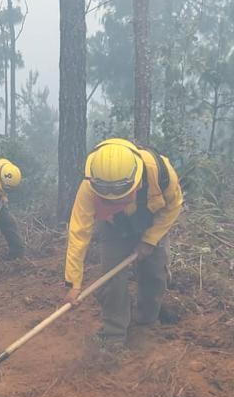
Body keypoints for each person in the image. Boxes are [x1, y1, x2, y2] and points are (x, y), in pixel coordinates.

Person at [64, 138, 183, 346]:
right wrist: (73, 282)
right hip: (114, 229)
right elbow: (78, 233)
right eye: (108, 200)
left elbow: (173, 206)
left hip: (152, 224)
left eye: (120, 198)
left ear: (136, 180)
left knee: (155, 274)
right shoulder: (89, 186)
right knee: (112, 279)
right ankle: (113, 334)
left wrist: (150, 240)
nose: (114, 203)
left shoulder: (161, 173)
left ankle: (146, 320)